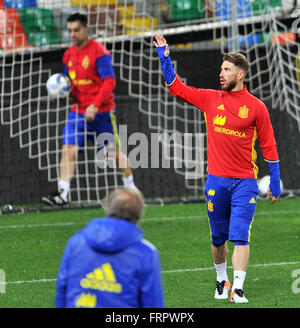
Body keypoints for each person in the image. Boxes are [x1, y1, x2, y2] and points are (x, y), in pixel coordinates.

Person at [153, 35, 281, 303]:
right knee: (218, 237)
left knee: (241, 236)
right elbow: (176, 88)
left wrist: (276, 181)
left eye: (226, 70)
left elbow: (268, 146)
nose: (221, 74)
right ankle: (221, 279)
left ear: (240, 74)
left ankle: (238, 288)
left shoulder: (256, 107)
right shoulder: (210, 99)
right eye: (221, 69)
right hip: (216, 181)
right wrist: (165, 58)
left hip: (246, 181)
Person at [42, 13, 136, 206]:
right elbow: (70, 84)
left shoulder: (99, 52)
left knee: (112, 154)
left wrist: (94, 104)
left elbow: (109, 81)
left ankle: (131, 187)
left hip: (102, 112)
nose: (73, 34)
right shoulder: (68, 55)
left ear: (86, 29)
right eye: (70, 31)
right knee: (68, 149)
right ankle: (63, 194)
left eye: (76, 30)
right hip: (77, 111)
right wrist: (63, 94)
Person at [55, 188, 164, 308]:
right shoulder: (146, 253)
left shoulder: (76, 241)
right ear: (140, 214)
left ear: (107, 208)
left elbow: (62, 290)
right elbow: (153, 304)